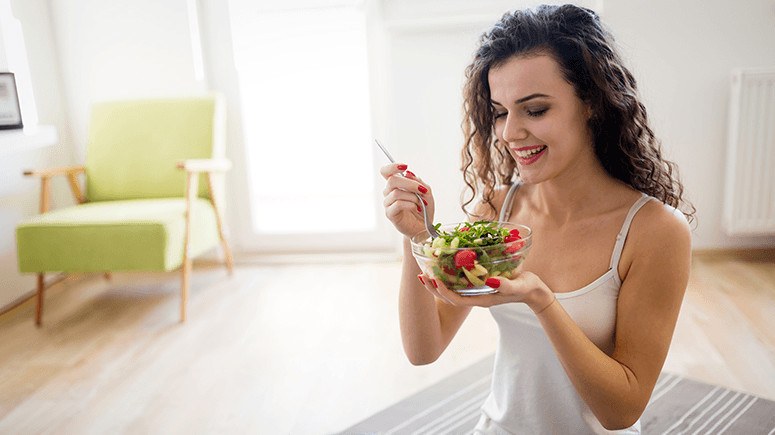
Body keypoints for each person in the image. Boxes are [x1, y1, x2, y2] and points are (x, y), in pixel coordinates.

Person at [379, 4, 695, 434]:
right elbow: (424, 348)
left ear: (592, 105)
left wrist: (540, 300)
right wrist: (415, 238)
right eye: (500, 111)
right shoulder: (497, 209)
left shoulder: (656, 231)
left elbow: (621, 411)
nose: (510, 133)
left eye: (535, 109)